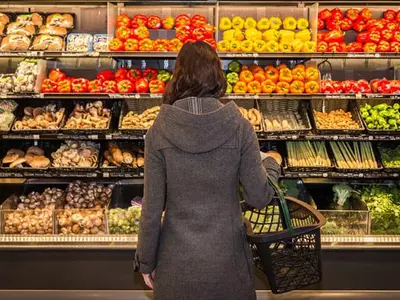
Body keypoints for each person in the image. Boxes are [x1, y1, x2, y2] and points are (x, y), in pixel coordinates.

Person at [135, 41, 282, 300]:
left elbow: (152, 208)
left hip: (175, 268)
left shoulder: (158, 130)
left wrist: (146, 261)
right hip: (229, 266)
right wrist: (271, 164)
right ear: (217, 75)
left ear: (177, 75)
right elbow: (258, 197)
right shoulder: (240, 127)